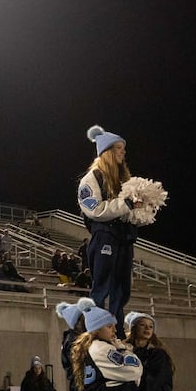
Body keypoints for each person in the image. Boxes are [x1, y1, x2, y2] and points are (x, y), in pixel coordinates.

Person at [77, 125, 137, 324]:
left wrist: (140, 211)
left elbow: (128, 212)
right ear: (107, 152)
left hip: (124, 239)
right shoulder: (91, 178)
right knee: (102, 288)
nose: (123, 152)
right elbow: (95, 210)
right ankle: (96, 330)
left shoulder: (123, 180)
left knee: (121, 290)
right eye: (119, 148)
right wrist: (126, 204)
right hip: (105, 236)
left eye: (123, 148)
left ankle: (117, 331)